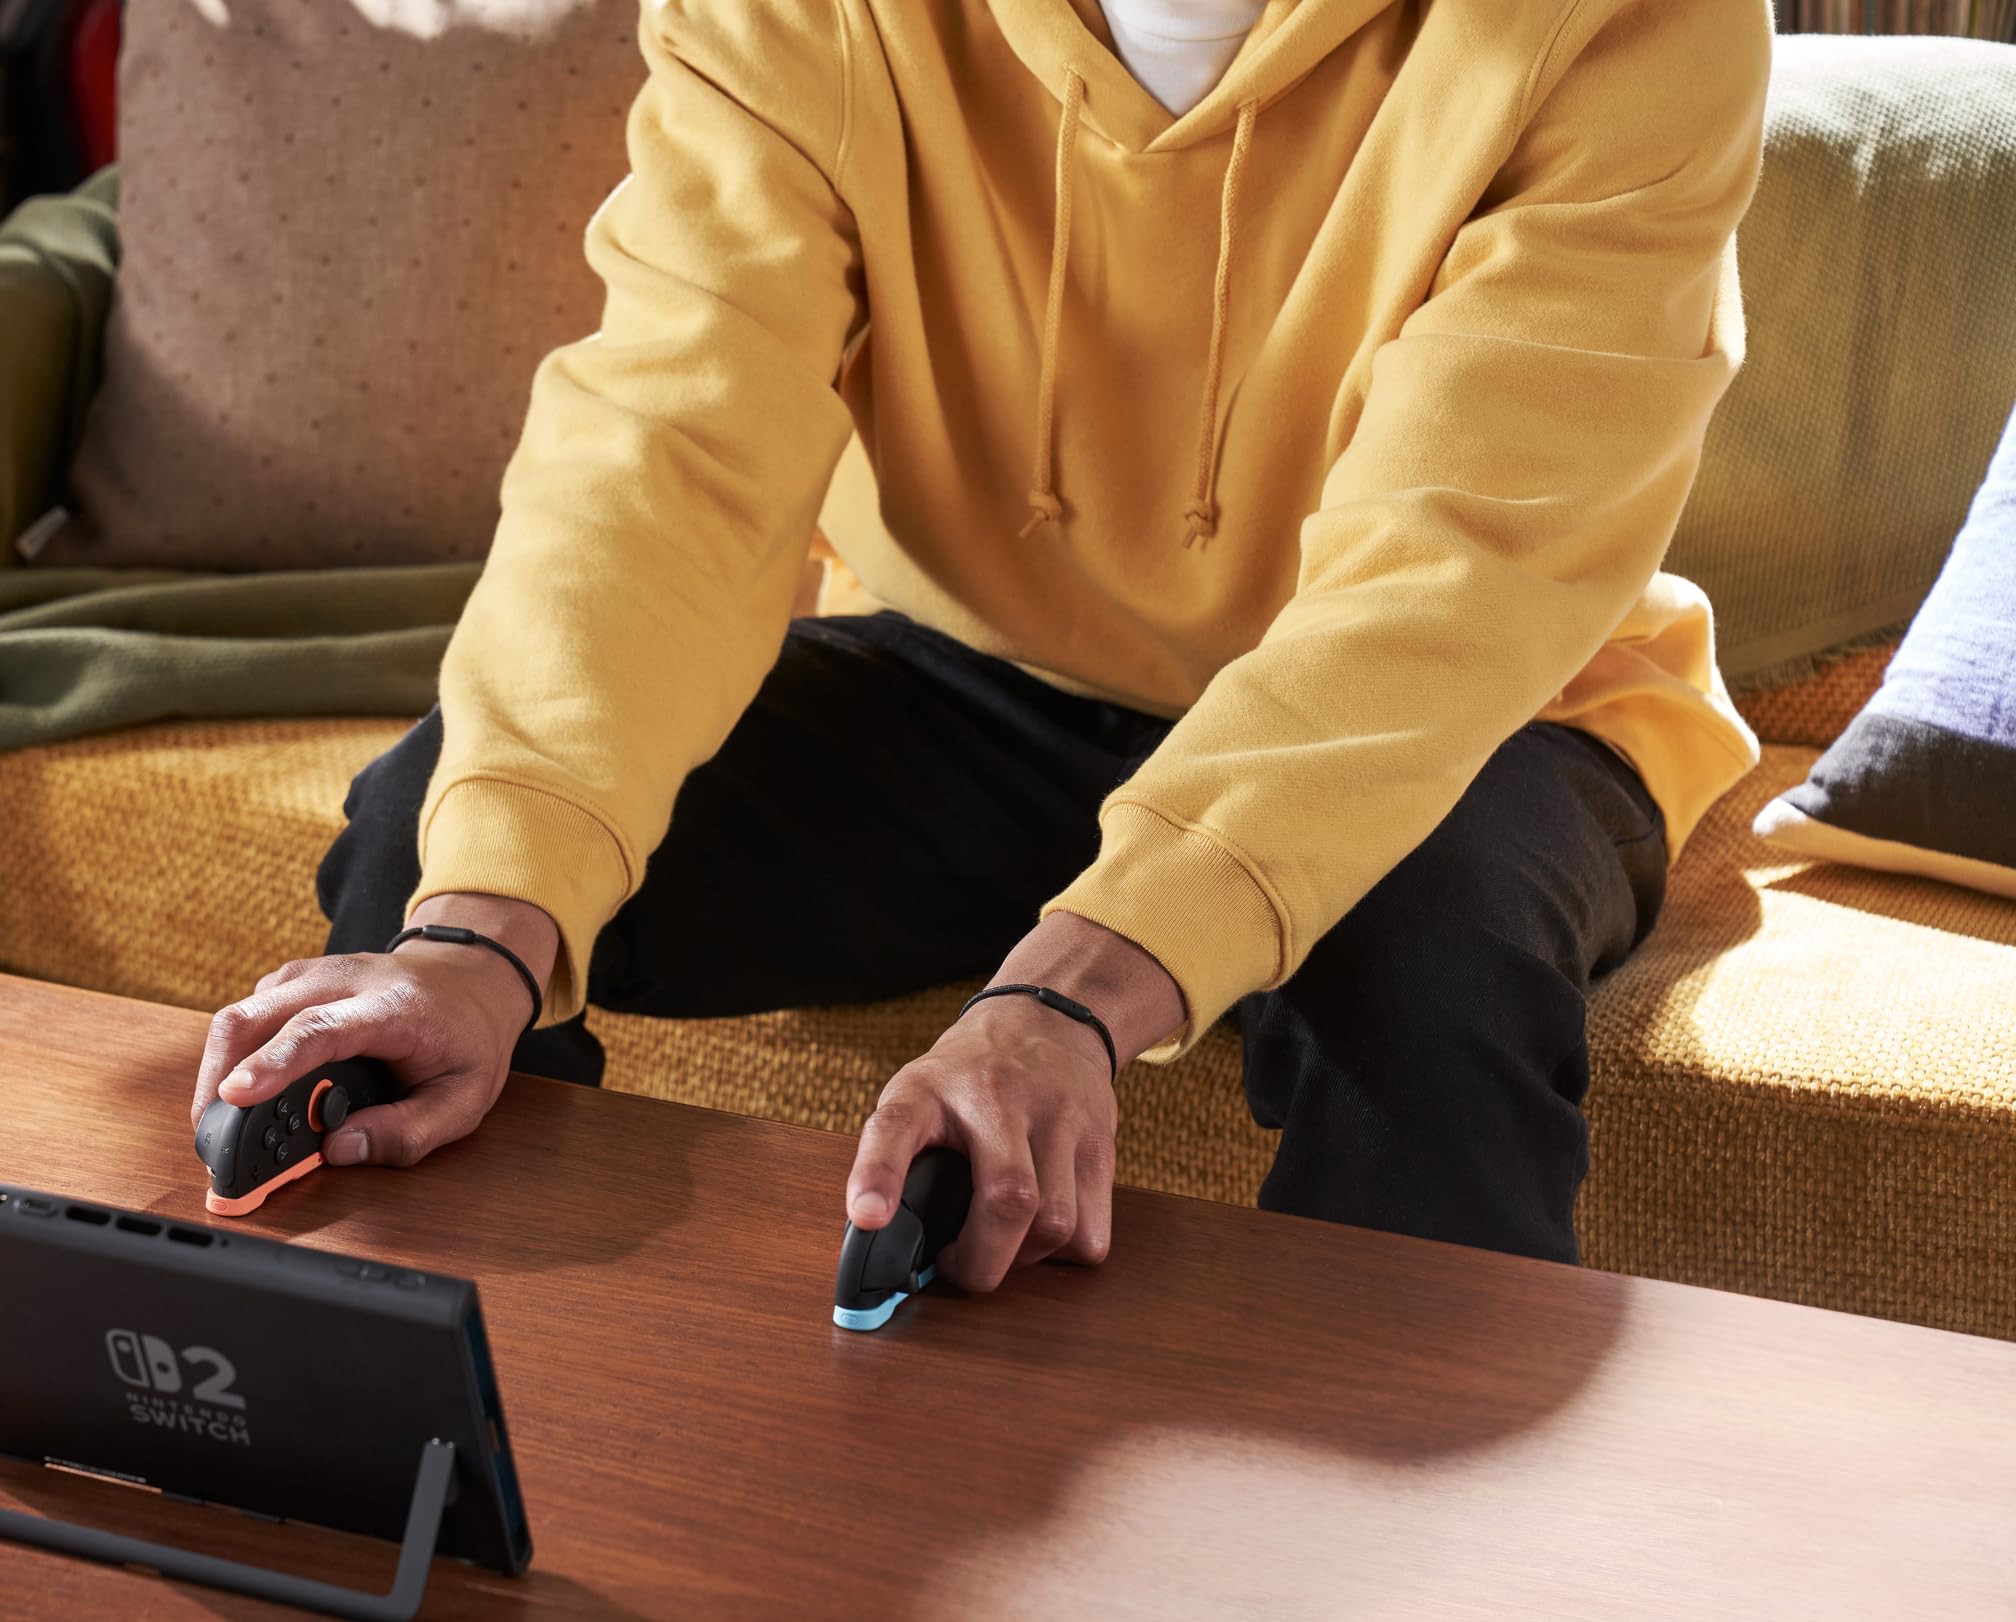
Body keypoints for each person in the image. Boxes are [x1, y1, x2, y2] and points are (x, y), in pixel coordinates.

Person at [191, 0, 1772, 1288]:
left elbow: (1449, 581)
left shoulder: (1627, 22)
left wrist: (1075, 996)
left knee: (1430, 986)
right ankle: (453, 1448)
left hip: (1473, 714)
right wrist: (479, 933)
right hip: (978, 670)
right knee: (442, 853)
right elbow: (667, 456)